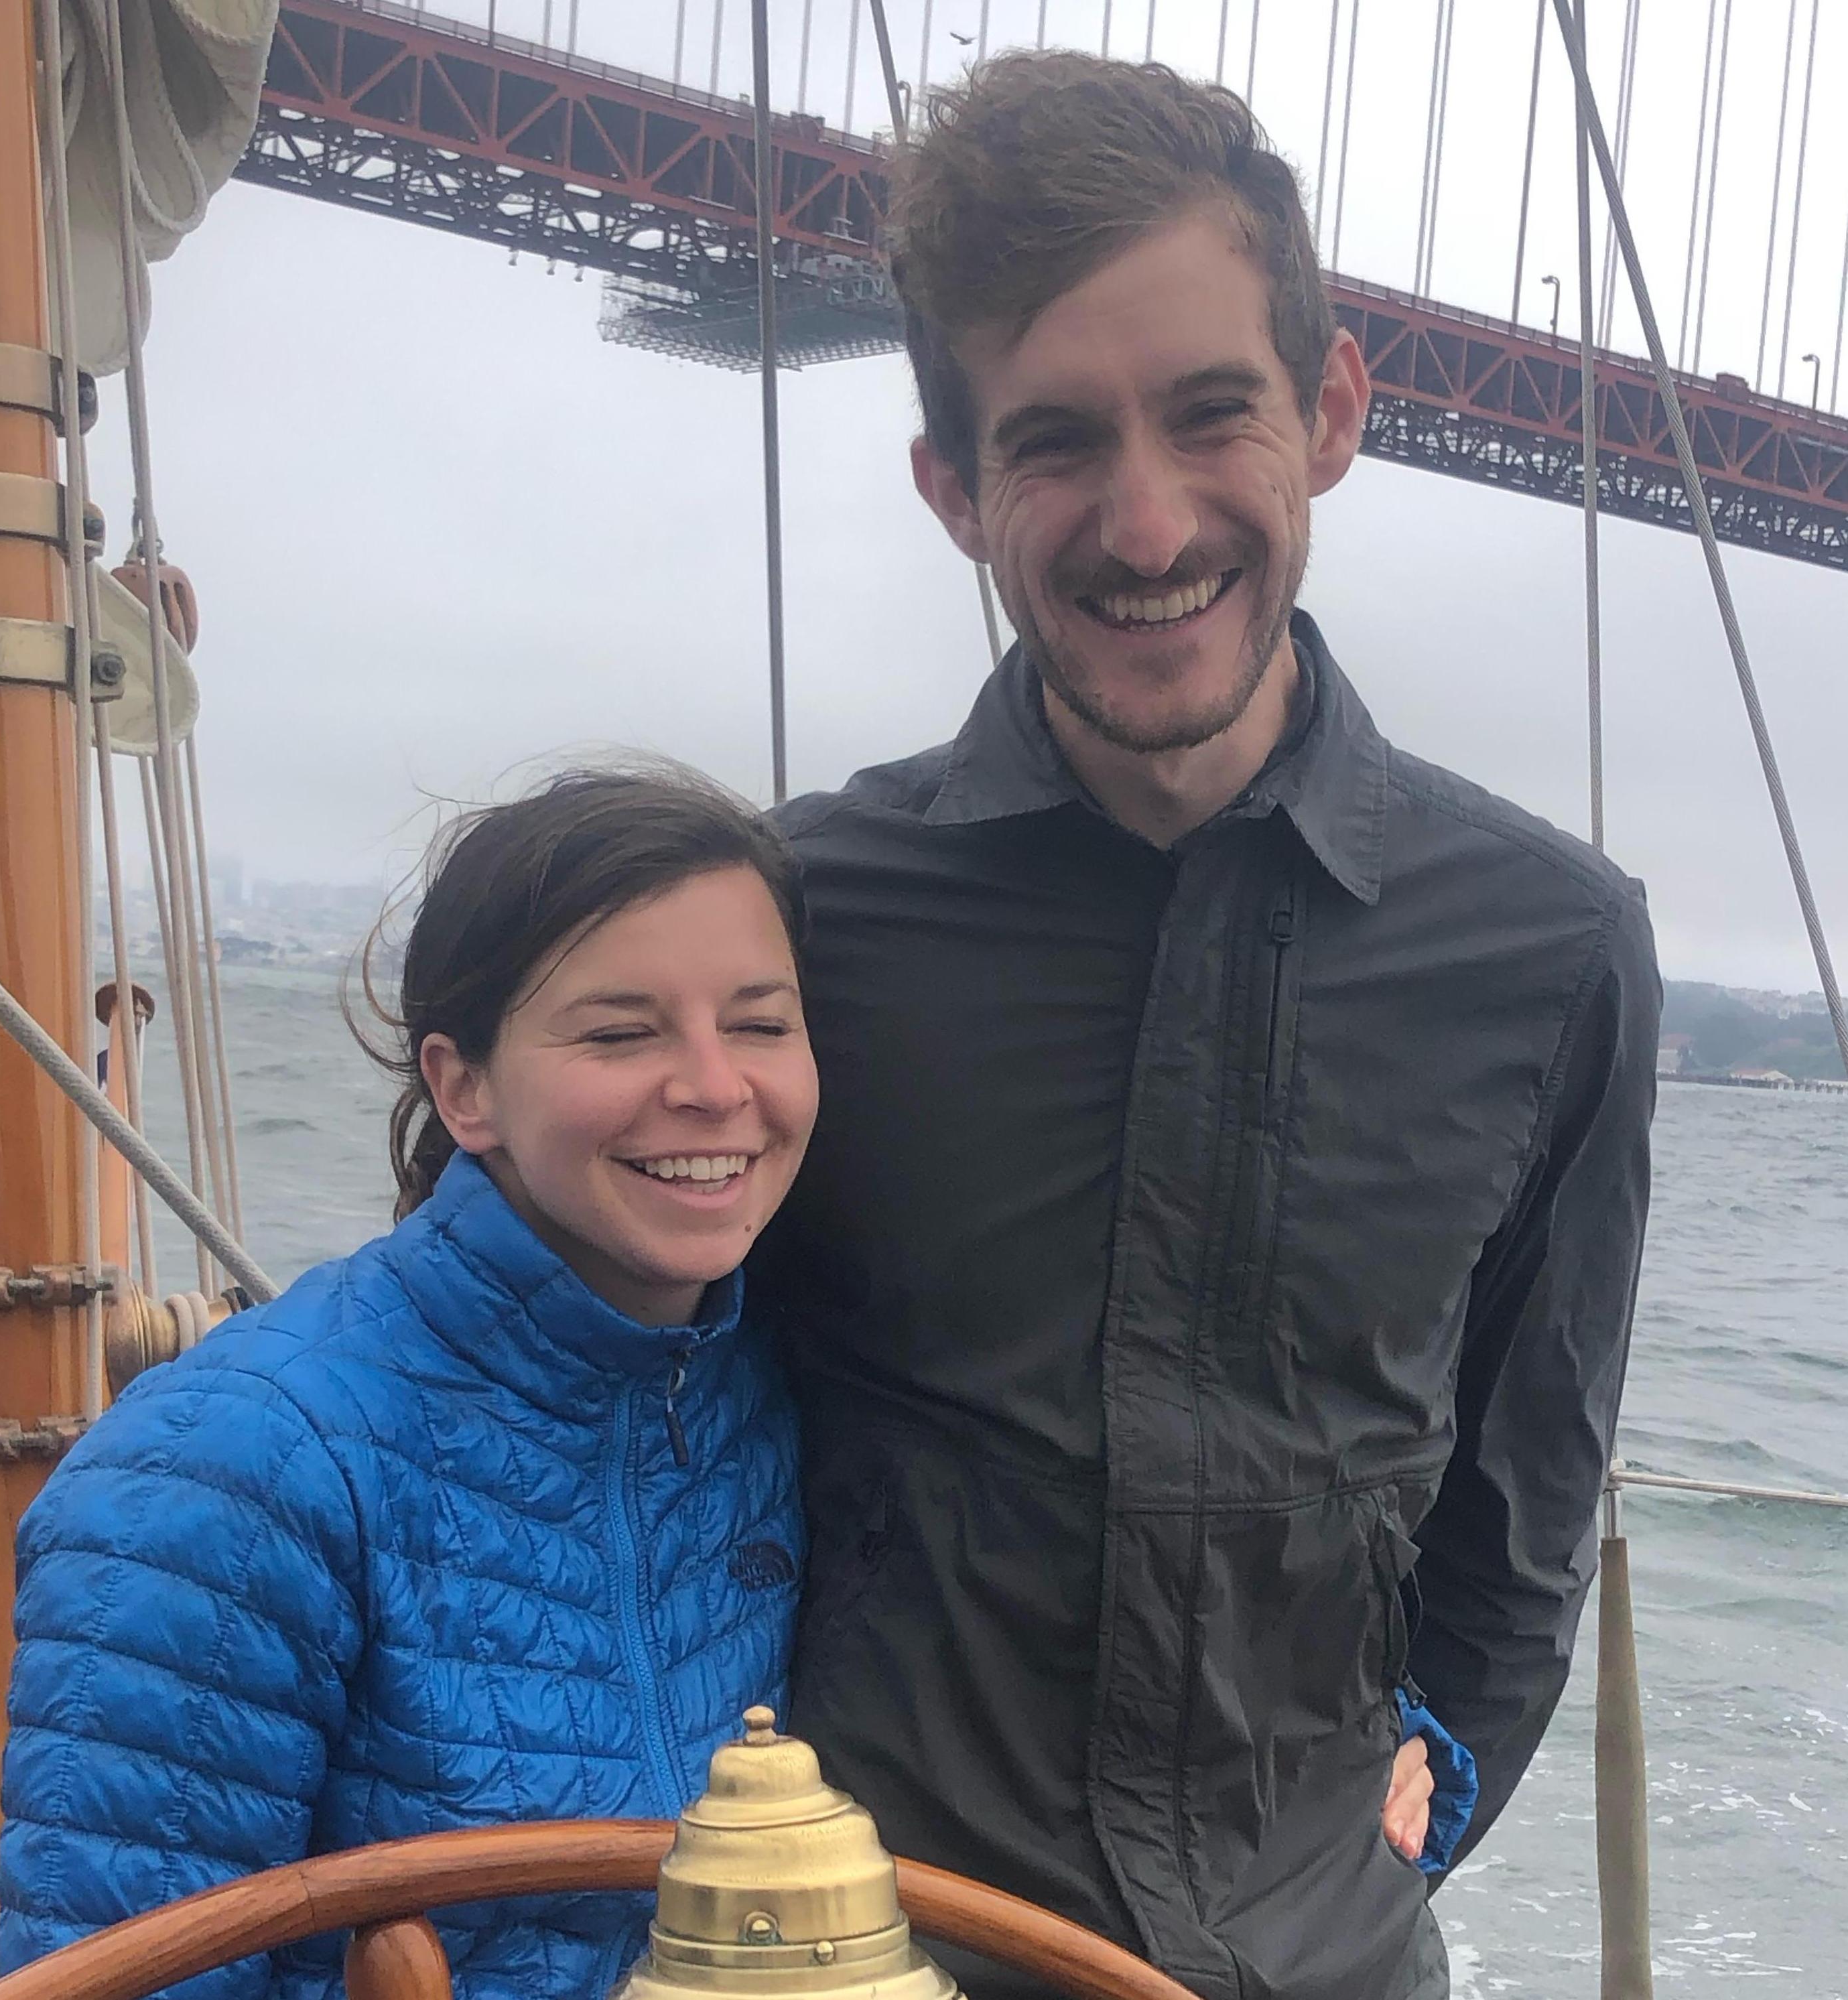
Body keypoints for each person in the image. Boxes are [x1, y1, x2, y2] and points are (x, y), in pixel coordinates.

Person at [762, 53, 1660, 2000]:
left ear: (1330, 413)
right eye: (1056, 440)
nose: (1147, 521)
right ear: (951, 488)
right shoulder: (795, 920)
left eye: (1210, 414)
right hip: (864, 1963)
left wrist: (1395, 1843)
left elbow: (1518, 1522)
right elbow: (562, 1381)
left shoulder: (1558, 949)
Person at [0, 769, 820, 2000]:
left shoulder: (753, 1391)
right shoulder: (232, 1471)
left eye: (758, 1022)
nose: (713, 1084)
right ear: (463, 1085)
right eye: (618, 1031)